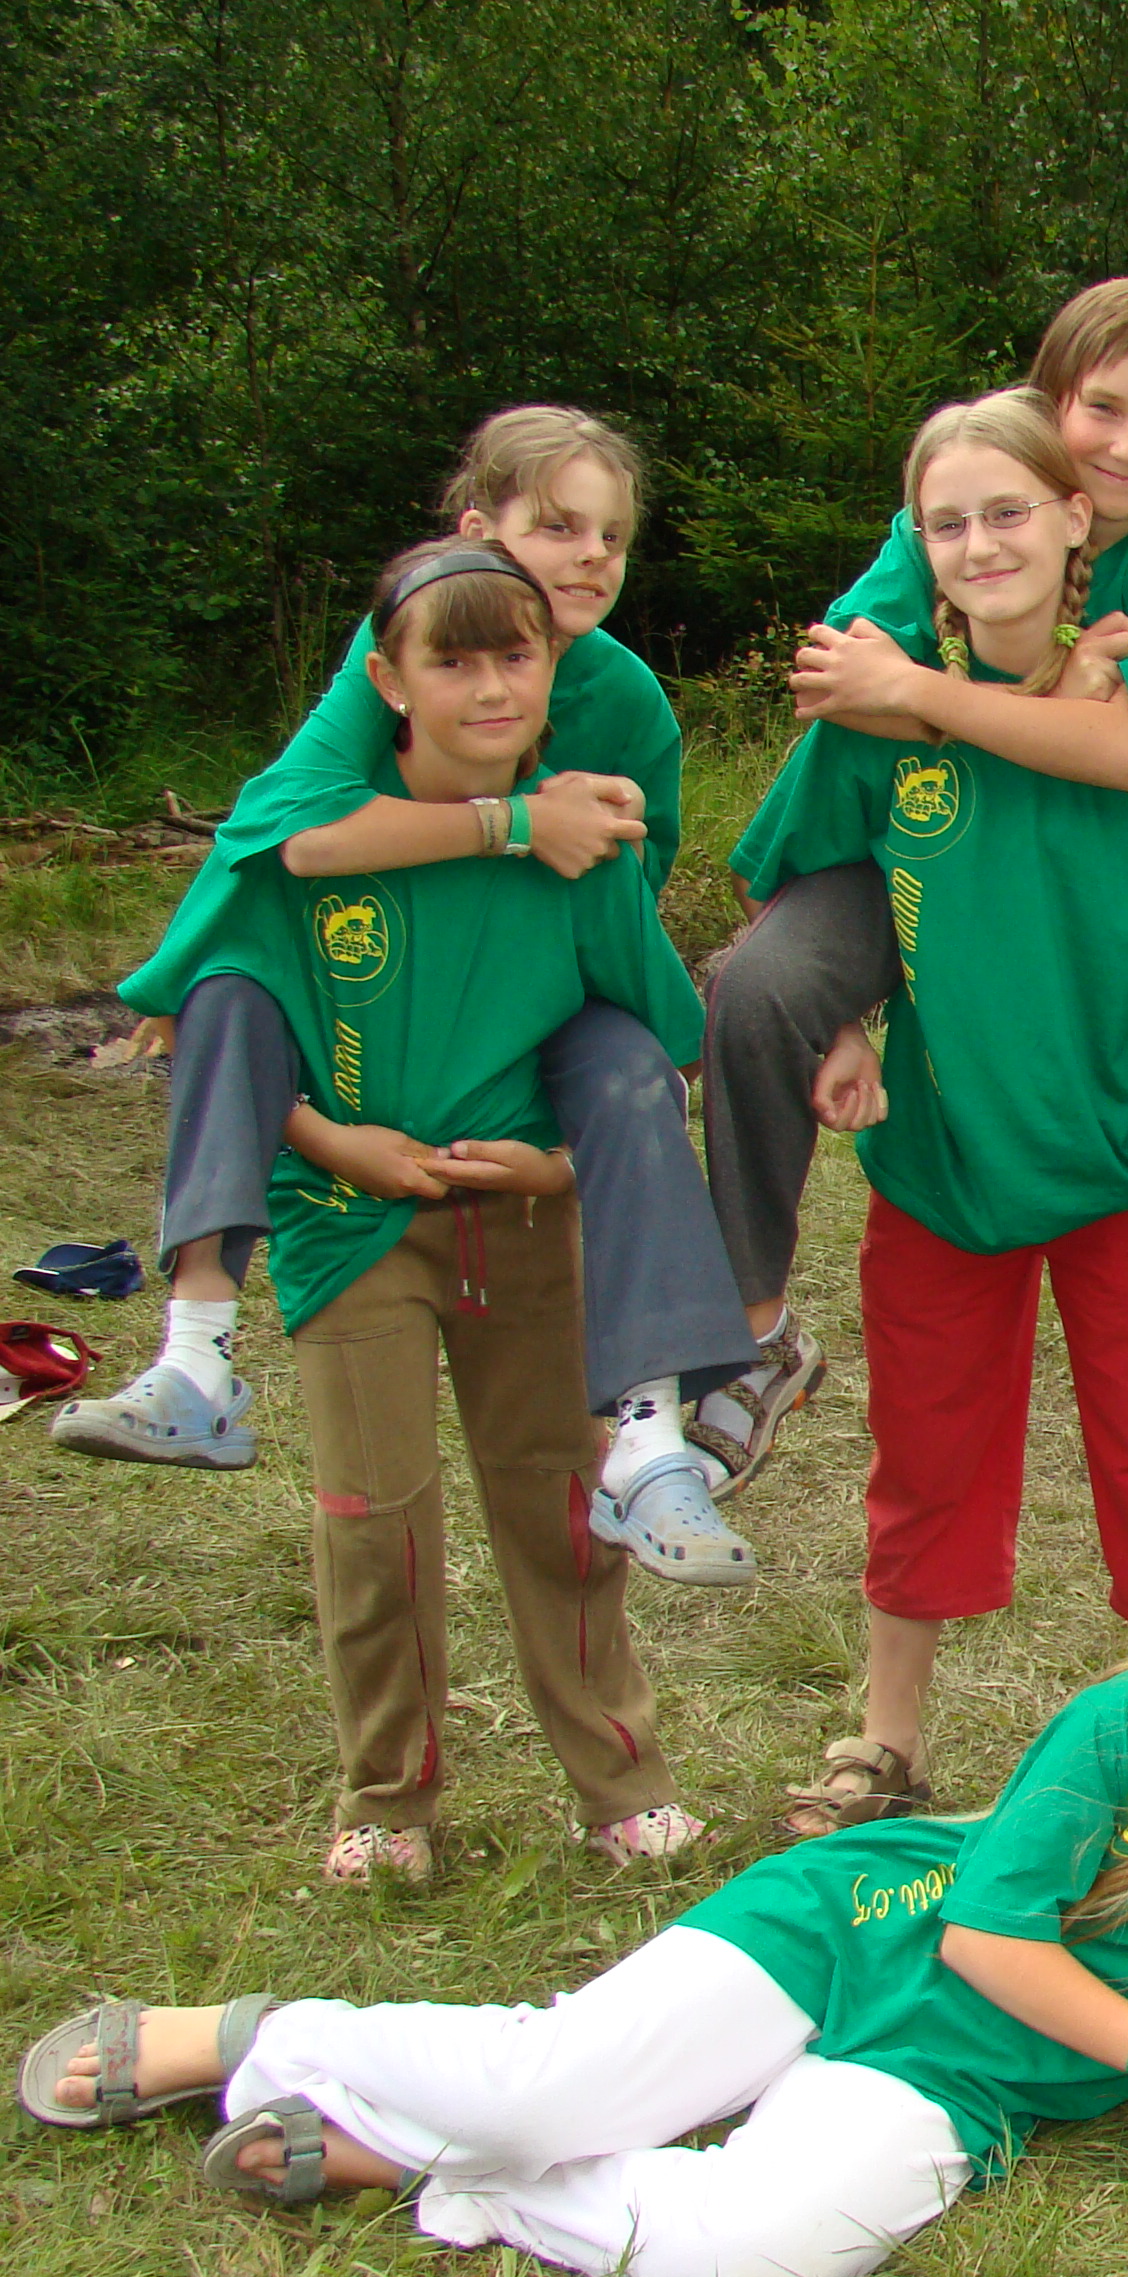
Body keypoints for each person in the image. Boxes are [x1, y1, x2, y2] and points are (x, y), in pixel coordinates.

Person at [17, 1498, 1128, 2277]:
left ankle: (420, 2164)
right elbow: (983, 1936)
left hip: (958, 2078)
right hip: (851, 1931)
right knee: (545, 2085)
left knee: (738, 2270)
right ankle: (258, 2037)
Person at [728, 389, 1128, 1835]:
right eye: (948, 523)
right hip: (943, 1157)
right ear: (918, 547)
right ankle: (886, 1743)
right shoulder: (879, 721)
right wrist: (842, 1019)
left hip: (1121, 1154)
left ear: (1073, 524)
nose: (982, 544)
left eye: (1008, 513)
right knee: (925, 1452)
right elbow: (791, 879)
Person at [62, 409, 760, 1585]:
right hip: (381, 982)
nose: (592, 556)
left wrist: (561, 1149)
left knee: (630, 1067)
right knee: (231, 988)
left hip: (547, 988)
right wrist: (515, 821)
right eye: (559, 527)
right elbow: (286, 835)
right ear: (478, 530)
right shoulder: (402, 637)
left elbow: (623, 922)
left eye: (613, 535)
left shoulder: (630, 704)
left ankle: (651, 1446)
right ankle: (195, 1357)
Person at [125, 540, 710, 1876]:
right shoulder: (318, 842)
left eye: (516, 656)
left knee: (559, 1506)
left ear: (552, 669)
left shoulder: (577, 845)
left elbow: (655, 1052)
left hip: (520, 1221)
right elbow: (219, 1018)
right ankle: (388, 1803)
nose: (490, 688)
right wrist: (335, 1140)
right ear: (388, 680)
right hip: (348, 1221)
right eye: (454, 662)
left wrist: (559, 1169)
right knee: (372, 1519)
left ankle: (622, 1784)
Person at [704, 276, 1128, 1521]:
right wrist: (1044, 694)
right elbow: (842, 690)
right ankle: (751, 1330)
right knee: (759, 987)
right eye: (1103, 408)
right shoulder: (958, 506)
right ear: (1050, 403)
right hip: (934, 856)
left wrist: (930, 693)